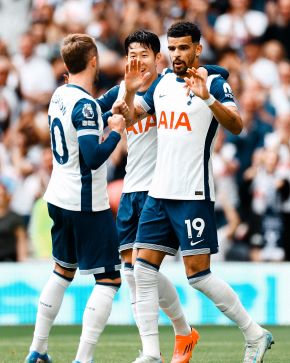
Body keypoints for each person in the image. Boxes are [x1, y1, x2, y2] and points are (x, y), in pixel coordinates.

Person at [123, 22, 274, 363]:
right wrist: (131, 92)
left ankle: (254, 333)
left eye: (183, 48)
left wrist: (206, 96)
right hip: (158, 193)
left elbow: (237, 125)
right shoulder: (161, 83)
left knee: (198, 276)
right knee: (142, 270)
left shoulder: (215, 82)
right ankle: (151, 353)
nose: (177, 54)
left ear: (197, 49)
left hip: (192, 192)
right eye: (172, 48)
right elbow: (134, 120)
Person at [97, 29, 229, 363]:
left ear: (159, 58)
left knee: (145, 272)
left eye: (143, 54)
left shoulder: (166, 86)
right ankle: (182, 332)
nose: (136, 60)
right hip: (130, 190)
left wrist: (215, 75)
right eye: (131, 54)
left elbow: (212, 77)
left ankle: (157, 349)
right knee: (134, 274)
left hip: (161, 189)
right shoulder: (122, 91)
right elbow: (100, 111)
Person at [24, 33, 127, 363]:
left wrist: (123, 89)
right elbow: (93, 156)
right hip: (85, 203)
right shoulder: (83, 105)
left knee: (61, 272)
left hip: (57, 197)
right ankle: (83, 358)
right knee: (109, 279)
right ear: (94, 60)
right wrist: (117, 132)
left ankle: (37, 349)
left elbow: (90, 110)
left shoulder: (61, 95)